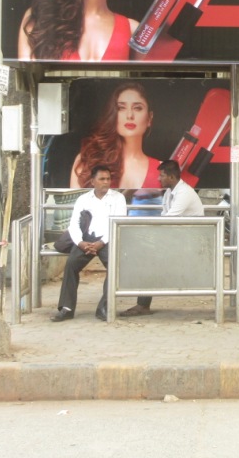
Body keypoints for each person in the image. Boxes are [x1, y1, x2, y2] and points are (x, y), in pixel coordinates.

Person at [119, 160, 205, 318]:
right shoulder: (169, 192)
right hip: (177, 238)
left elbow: (169, 219)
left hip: (189, 242)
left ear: (171, 177)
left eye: (162, 175)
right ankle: (142, 303)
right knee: (145, 253)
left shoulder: (184, 193)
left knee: (148, 258)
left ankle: (142, 304)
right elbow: (165, 218)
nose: (159, 178)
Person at [51, 165, 128, 322]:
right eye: (101, 179)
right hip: (86, 240)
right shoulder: (83, 199)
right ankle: (67, 308)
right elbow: (73, 225)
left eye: (108, 179)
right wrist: (80, 243)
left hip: (108, 239)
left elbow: (119, 222)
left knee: (115, 268)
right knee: (71, 264)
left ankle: (104, 307)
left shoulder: (118, 198)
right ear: (92, 181)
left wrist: (101, 242)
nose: (106, 182)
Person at [70, 81, 161, 190]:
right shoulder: (88, 160)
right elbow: (75, 206)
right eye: (121, 108)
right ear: (113, 115)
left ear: (149, 118)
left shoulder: (160, 169)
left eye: (137, 108)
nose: (129, 115)